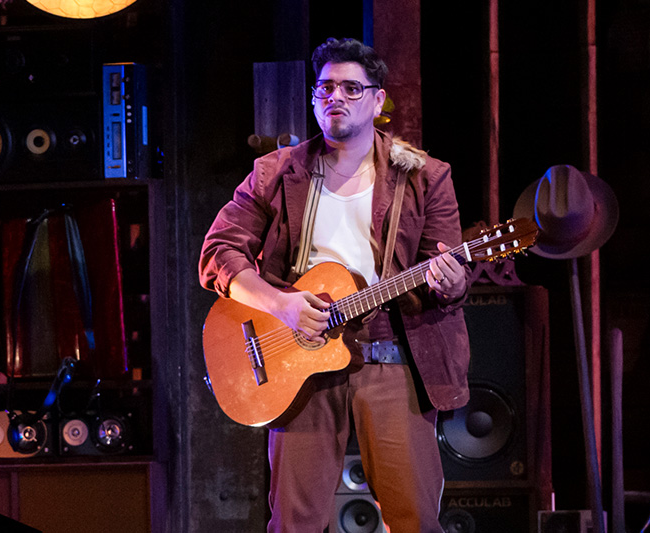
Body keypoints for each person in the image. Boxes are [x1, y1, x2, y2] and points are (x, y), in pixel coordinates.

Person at [199, 37, 471, 532]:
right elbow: (219, 252)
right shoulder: (276, 172)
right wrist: (280, 305)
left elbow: (447, 278)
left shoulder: (425, 177)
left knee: (414, 520)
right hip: (298, 358)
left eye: (351, 88)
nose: (335, 98)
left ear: (377, 100)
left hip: (391, 358)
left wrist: (451, 282)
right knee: (294, 523)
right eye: (325, 88)